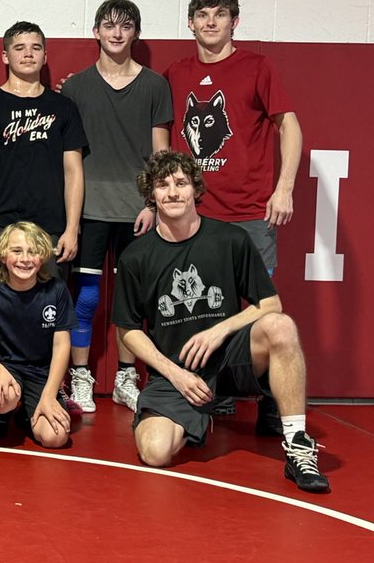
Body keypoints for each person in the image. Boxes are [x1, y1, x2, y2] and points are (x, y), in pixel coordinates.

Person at [112, 150, 328, 493]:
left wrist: (220, 330)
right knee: (154, 452)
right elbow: (128, 330)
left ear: (196, 189)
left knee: (281, 326)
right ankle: (198, 415)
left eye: (181, 183)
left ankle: (298, 445)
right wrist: (176, 374)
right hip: (177, 368)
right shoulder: (135, 256)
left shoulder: (230, 240)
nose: (172, 192)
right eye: (162, 185)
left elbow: (270, 303)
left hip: (229, 358)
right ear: (151, 194)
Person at [166, 0, 303, 432]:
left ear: (234, 22)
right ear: (190, 22)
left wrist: (283, 188)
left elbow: (290, 127)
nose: (210, 22)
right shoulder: (176, 72)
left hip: (248, 211)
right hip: (196, 215)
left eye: (220, 15)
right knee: (206, 305)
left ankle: (270, 399)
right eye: (202, 15)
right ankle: (216, 392)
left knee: (263, 307)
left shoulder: (257, 67)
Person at [61, 0, 172, 414]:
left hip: (137, 211)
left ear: (136, 34)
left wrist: (154, 204)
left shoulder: (155, 86)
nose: (117, 32)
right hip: (89, 210)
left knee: (131, 299)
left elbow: (161, 154)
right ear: (96, 31)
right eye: (109, 25)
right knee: (86, 297)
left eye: (126, 26)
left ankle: (127, 376)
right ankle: (81, 376)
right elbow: (68, 156)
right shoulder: (75, 88)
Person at [0, 21, 87, 288]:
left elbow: (74, 171)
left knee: (48, 318)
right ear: (6, 56)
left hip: (51, 230)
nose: (28, 54)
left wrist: (71, 229)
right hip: (0, 229)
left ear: (45, 56)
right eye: (19, 48)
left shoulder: (64, 108)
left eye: (35, 48)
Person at [0, 222, 75, 449]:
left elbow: (61, 345)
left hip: (41, 373)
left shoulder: (56, 290)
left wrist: (49, 394)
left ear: (43, 256)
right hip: (6, 369)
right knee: (4, 397)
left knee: (55, 438)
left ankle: (28, 413)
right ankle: (2, 414)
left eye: (33, 251)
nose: (25, 259)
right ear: (3, 254)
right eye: (17, 251)